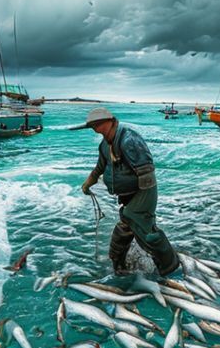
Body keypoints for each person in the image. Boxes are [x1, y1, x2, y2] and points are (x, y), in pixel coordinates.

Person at [75, 107, 179, 276]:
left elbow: (147, 173)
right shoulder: (104, 145)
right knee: (123, 231)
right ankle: (119, 266)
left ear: (110, 121)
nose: (95, 128)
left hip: (143, 192)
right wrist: (88, 184)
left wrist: (141, 207)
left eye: (98, 124)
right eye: (93, 125)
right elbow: (99, 168)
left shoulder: (129, 139)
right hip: (126, 195)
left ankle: (171, 268)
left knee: (148, 234)